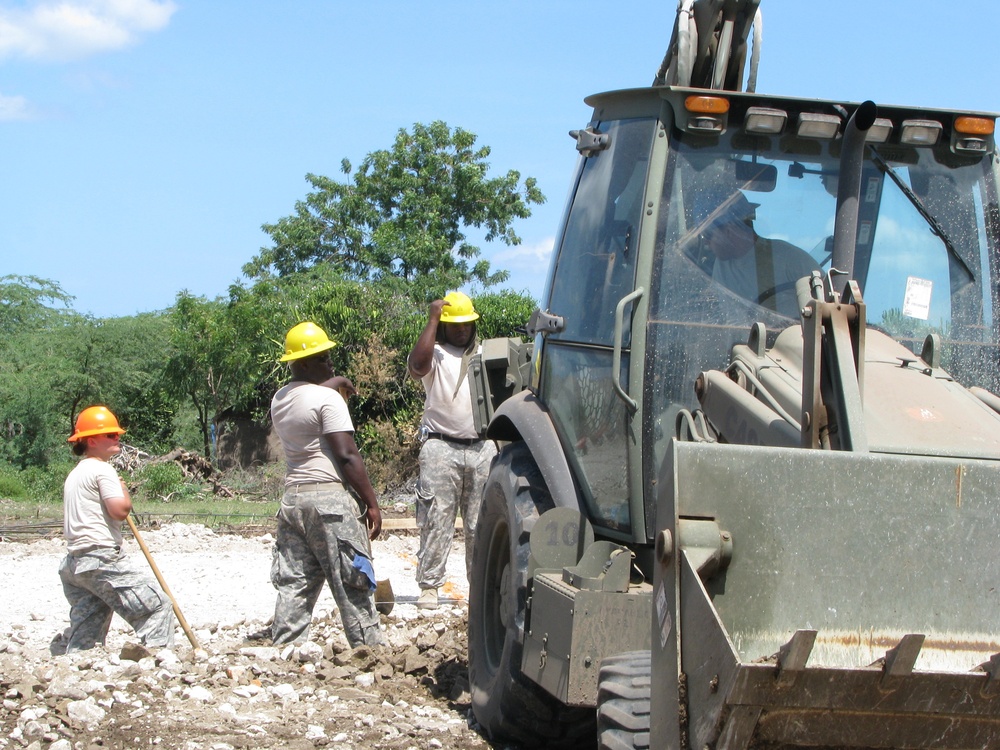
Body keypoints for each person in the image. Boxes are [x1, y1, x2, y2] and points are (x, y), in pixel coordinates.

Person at [268, 321, 386, 647]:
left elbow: (308, 391)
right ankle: (370, 652)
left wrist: (333, 381)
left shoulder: (280, 398)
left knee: (294, 583)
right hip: (329, 501)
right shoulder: (328, 401)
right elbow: (347, 455)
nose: (330, 363)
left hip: (293, 501)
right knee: (353, 580)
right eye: (323, 359)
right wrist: (372, 503)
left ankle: (286, 652)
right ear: (304, 362)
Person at [58, 405, 176, 653]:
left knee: (88, 627)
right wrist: (122, 489)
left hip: (74, 563)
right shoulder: (102, 469)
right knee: (156, 606)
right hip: (101, 558)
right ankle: (160, 662)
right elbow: (120, 511)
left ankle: (78, 668)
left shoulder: (75, 473)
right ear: (91, 440)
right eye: (110, 435)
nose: (117, 438)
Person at [407, 291, 497, 610]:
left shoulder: (487, 354)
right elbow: (417, 367)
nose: (461, 330)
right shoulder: (435, 354)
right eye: (453, 324)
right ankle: (430, 586)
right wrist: (432, 319)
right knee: (436, 518)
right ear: (444, 326)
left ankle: (481, 590)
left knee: (480, 523)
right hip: (440, 447)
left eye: (466, 324)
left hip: (482, 446)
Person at [700, 191, 820, 317]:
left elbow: (831, 301)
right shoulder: (721, 268)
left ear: (729, 229)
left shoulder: (787, 258)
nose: (706, 243)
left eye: (708, 235)